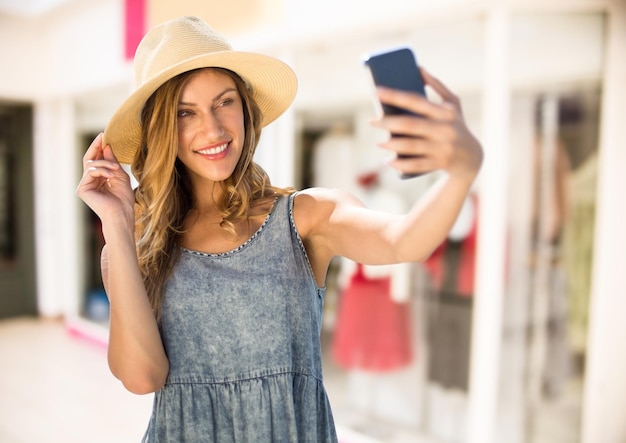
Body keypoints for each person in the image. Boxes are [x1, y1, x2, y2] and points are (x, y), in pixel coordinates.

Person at [76, 15, 483, 443]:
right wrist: (117, 227)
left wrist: (460, 173)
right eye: (185, 112)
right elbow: (143, 377)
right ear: (163, 130)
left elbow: (405, 241)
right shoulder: (134, 245)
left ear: (246, 110)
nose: (212, 129)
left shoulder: (305, 218)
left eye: (224, 102)